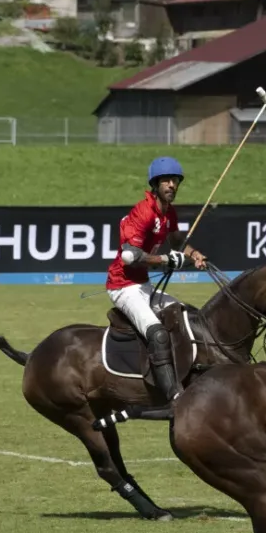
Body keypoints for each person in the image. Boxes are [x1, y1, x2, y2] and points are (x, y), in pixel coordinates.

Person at [107, 157, 206, 401]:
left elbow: (176, 240)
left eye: (175, 181)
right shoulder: (143, 212)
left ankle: (191, 373)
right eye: (166, 181)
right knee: (158, 333)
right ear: (155, 184)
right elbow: (131, 255)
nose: (172, 185)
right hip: (123, 287)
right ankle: (172, 395)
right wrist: (166, 260)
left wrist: (193, 254)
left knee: (186, 315)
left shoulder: (169, 213)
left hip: (144, 285)